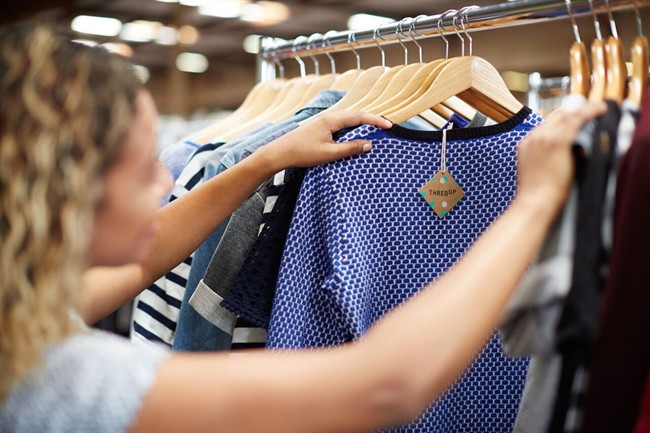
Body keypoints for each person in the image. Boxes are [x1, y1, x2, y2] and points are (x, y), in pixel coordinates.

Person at [0, 22, 607, 433]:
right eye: (141, 173)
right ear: (62, 196)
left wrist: (264, 158)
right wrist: (534, 204)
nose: (166, 183)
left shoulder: (23, 320)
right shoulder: (53, 377)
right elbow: (385, 386)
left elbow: (141, 260)